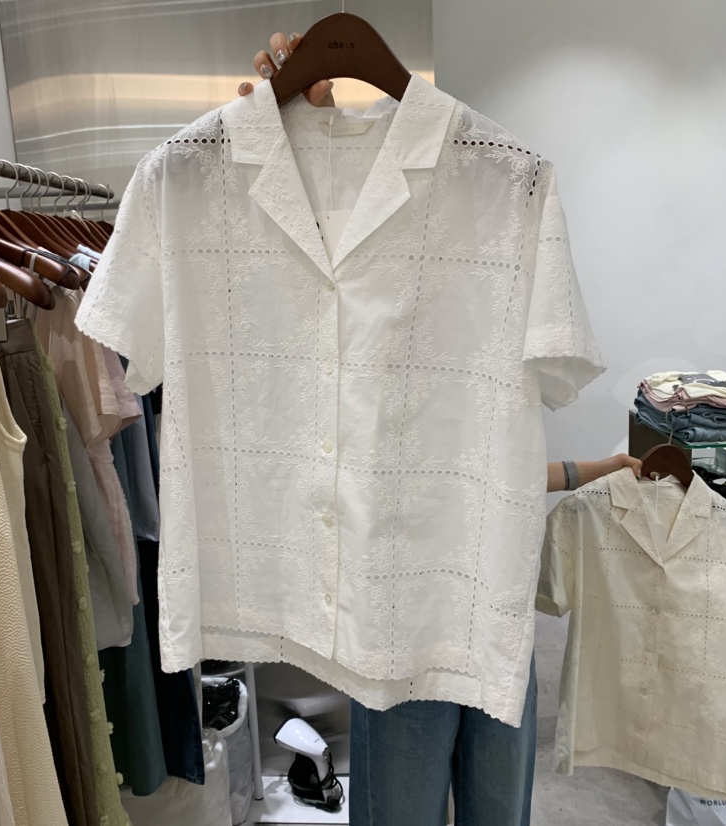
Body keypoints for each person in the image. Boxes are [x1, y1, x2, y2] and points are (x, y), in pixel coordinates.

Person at [237, 34, 642, 825]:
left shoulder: (510, 198)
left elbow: (506, 465)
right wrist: (296, 133)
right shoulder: (344, 289)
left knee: (495, 807)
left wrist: (603, 468)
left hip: (490, 617)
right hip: (399, 628)